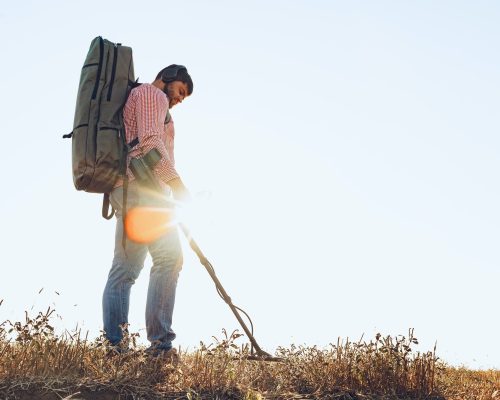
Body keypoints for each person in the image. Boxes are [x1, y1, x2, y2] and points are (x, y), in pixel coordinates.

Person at [102, 65, 193, 357]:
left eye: (183, 97)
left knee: (124, 271)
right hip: (141, 192)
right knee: (169, 257)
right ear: (166, 77)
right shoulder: (153, 95)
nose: (179, 98)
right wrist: (178, 187)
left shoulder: (141, 97)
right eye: (179, 90)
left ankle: (115, 350)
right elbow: (151, 145)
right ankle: (160, 347)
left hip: (126, 190)